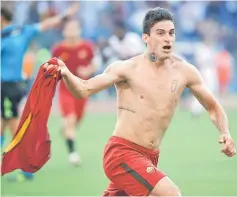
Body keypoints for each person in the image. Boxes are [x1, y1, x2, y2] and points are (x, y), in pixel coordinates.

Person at [44, 7, 236, 196]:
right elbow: (84, 90)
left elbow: (213, 107)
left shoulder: (185, 72)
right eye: (160, 33)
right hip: (122, 153)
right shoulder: (126, 69)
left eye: (171, 33)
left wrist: (225, 133)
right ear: (146, 38)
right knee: (171, 195)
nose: (167, 38)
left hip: (149, 157)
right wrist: (66, 74)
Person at [1, 3, 78, 181]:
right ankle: (22, 167)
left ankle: (25, 169)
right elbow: (48, 23)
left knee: (12, 126)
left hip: (7, 86)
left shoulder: (7, 35)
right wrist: (66, 14)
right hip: (12, 86)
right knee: (8, 125)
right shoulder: (23, 30)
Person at [51, 19, 96, 165]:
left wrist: (88, 70)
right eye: (68, 28)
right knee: (70, 119)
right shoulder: (58, 49)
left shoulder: (87, 47)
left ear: (79, 30)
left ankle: (65, 128)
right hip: (66, 90)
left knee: (75, 122)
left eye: (74, 28)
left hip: (82, 90)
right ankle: (73, 154)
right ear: (64, 31)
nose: (71, 31)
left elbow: (95, 63)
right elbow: (52, 68)